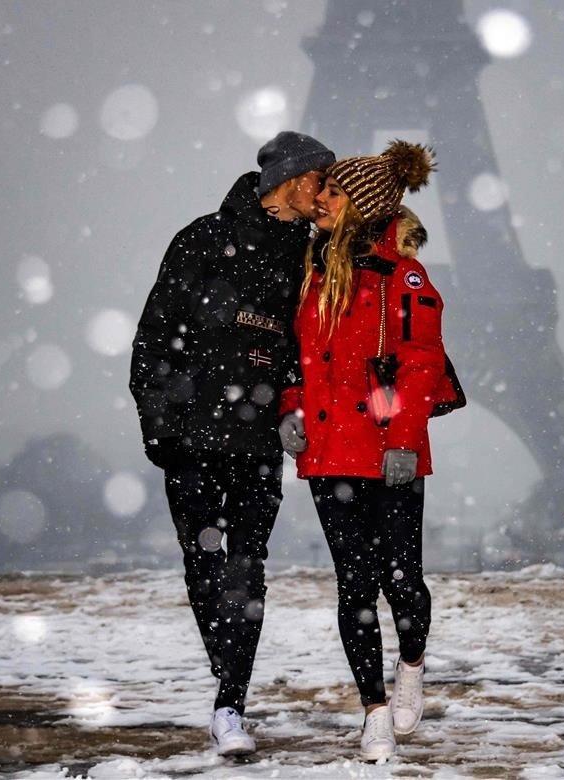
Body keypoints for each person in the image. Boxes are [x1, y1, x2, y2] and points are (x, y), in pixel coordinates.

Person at [128, 131, 334, 755]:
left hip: (257, 442)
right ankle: (229, 684)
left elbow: (309, 347)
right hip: (193, 438)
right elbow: (153, 336)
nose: (327, 193)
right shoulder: (202, 241)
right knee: (207, 568)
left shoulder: (312, 258)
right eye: (322, 181)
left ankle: (229, 702)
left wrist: (294, 412)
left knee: (247, 572)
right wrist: (162, 428)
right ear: (293, 181)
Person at [277, 140, 464, 761]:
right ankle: (374, 710)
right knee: (354, 584)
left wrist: (405, 441)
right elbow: (297, 360)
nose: (319, 201)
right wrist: (290, 410)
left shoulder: (403, 275)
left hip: (388, 450)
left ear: (361, 203)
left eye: (331, 192)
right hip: (330, 451)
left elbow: (419, 362)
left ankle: (411, 663)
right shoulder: (313, 270)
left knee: (402, 580)